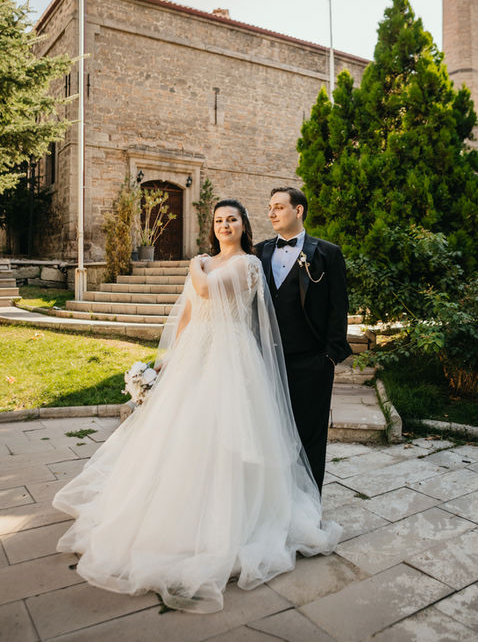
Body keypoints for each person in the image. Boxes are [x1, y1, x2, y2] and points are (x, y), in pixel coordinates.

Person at [52, 199, 341, 614]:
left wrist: (194, 265)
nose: (225, 225)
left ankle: (231, 521)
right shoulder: (207, 262)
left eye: (232, 219)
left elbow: (206, 290)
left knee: (226, 434)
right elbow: (189, 311)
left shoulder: (247, 264)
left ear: (244, 226)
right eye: (219, 220)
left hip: (232, 356)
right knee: (179, 435)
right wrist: (166, 358)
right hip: (196, 353)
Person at [255, 187, 352, 493]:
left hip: (311, 363)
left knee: (310, 439)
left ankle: (308, 504)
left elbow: (339, 307)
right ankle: (275, 500)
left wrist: (329, 358)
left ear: (298, 210)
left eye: (279, 207)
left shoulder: (327, 253)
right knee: (267, 436)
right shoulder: (258, 252)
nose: (271, 213)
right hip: (266, 361)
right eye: (270, 207)